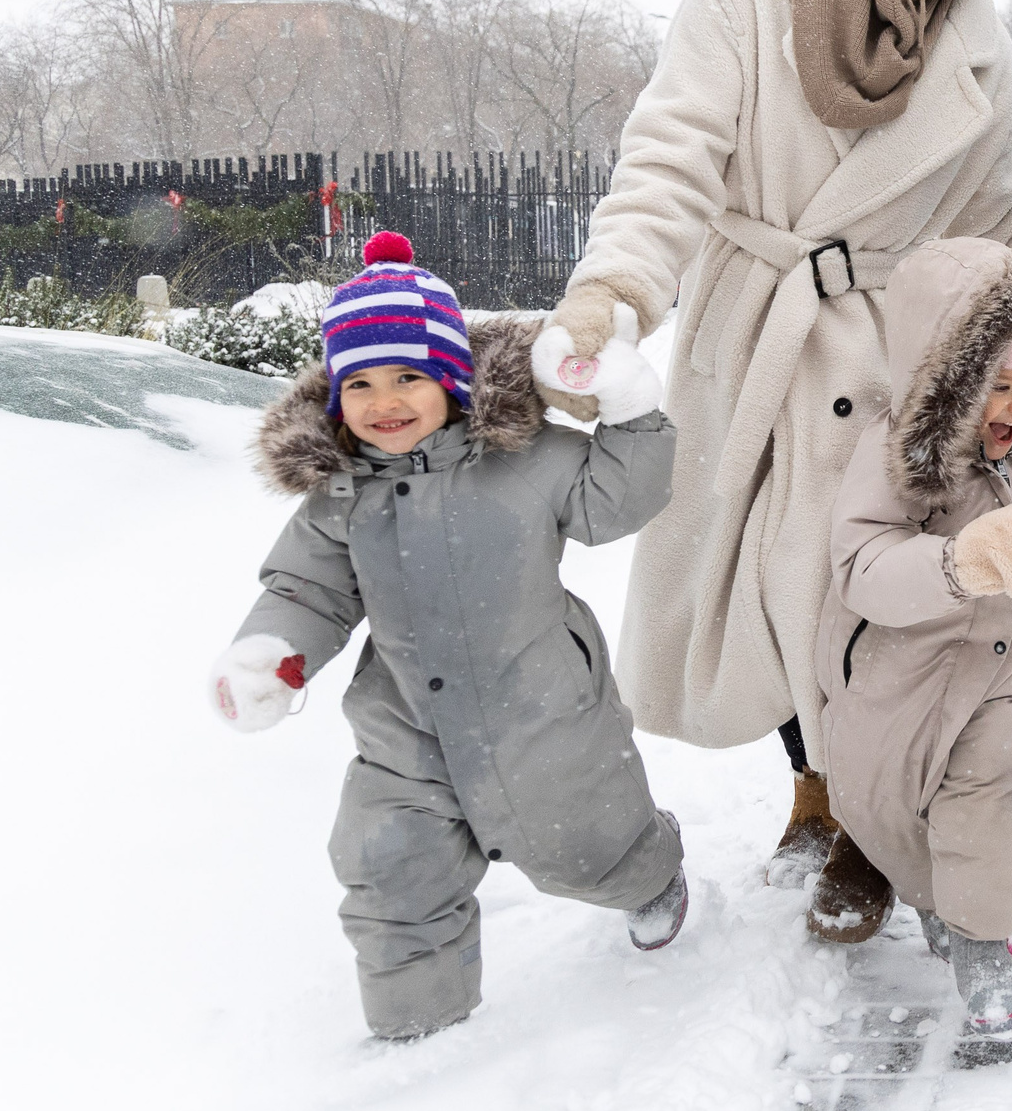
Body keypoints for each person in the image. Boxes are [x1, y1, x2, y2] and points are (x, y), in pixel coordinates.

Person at [534, 0, 1012, 943]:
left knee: (854, 587)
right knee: (762, 592)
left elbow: (993, 212)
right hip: (753, 332)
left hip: (889, 348)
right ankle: (815, 787)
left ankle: (857, 822)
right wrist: (614, 294)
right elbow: (671, 160)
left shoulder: (977, 43)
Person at [205, 232, 685, 1039]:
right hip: (405, 729)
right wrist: (274, 656)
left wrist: (631, 413)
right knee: (386, 862)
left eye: (406, 375)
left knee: (588, 845)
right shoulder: (341, 494)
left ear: (450, 377)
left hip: (541, 714)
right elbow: (307, 587)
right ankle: (418, 1034)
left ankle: (649, 876)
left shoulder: (523, 457)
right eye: (358, 381)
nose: (382, 399)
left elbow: (616, 499)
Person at [813, 234, 1012, 1062]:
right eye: (999, 383)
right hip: (899, 677)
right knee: (889, 810)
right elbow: (861, 565)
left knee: (997, 806)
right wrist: (958, 563)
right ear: (949, 373)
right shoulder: (896, 457)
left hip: (1002, 673)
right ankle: (930, 895)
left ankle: (986, 940)